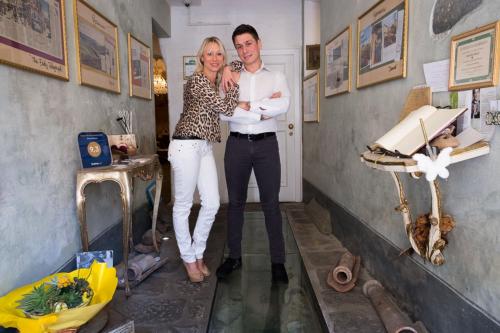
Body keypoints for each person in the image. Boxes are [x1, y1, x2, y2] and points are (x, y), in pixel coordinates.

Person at [216, 24, 291, 283]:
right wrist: (263, 107)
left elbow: (283, 104)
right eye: (238, 46)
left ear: (259, 43)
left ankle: (278, 262)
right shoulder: (230, 77)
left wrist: (245, 106)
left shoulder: (277, 76)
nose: (244, 50)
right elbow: (224, 112)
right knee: (235, 203)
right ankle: (234, 257)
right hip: (236, 144)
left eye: (248, 43)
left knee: (271, 203)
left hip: (266, 146)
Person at [168, 36, 246, 283]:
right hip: (186, 145)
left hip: (204, 147)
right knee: (183, 206)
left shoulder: (215, 80)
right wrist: (235, 91)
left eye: (219, 54)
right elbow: (225, 109)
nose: (214, 58)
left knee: (212, 203)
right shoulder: (198, 81)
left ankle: (198, 253)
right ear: (201, 57)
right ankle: (189, 258)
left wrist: (230, 70)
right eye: (210, 54)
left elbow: (240, 64)